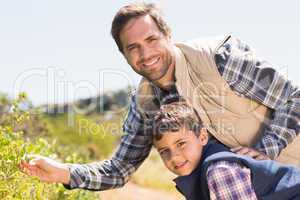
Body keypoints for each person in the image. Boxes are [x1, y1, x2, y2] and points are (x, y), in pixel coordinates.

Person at [20, 2, 299, 191]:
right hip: (245, 189)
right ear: (124, 55)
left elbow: (293, 98)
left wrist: (266, 150)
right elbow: (120, 168)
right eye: (134, 47)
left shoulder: (218, 58)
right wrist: (65, 172)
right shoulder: (144, 105)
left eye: (152, 40)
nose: (146, 54)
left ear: (168, 35)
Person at [152, 101, 300, 200]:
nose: (174, 156)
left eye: (181, 143)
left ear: (202, 137)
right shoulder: (201, 173)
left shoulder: (219, 171)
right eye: (164, 151)